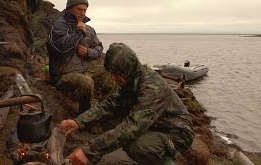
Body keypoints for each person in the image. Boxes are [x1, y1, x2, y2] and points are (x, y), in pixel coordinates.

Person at [59, 43, 195, 165]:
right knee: (111, 122)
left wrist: (89, 150)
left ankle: (166, 161)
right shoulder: (132, 79)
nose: (112, 77)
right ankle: (90, 160)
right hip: (154, 123)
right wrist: (78, 122)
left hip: (176, 133)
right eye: (111, 73)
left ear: (127, 70)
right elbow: (111, 104)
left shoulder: (152, 87)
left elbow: (132, 128)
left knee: (137, 145)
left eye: (116, 74)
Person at [47, 0, 103, 113]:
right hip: (62, 76)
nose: (82, 13)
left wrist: (88, 52)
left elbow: (99, 49)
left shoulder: (89, 29)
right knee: (87, 82)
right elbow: (60, 48)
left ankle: (95, 103)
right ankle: (83, 115)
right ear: (69, 8)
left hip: (84, 70)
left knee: (108, 72)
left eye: (85, 10)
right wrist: (79, 33)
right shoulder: (59, 26)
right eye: (79, 9)